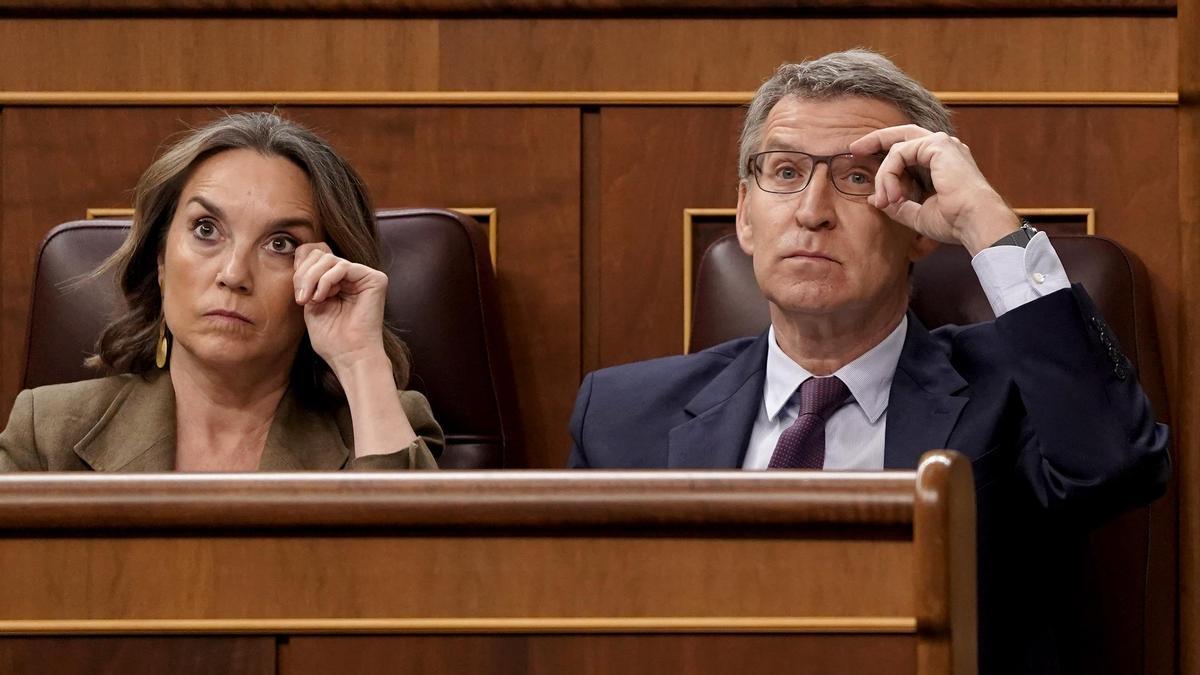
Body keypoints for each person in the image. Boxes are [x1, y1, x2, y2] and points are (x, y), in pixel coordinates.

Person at [568, 50, 1169, 674]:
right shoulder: (621, 417)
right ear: (746, 215)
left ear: (919, 229)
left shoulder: (1012, 393)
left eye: (857, 178)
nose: (812, 210)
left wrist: (985, 220)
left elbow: (1116, 465)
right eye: (784, 172)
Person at [0, 112, 441, 471]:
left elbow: (420, 573)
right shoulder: (47, 432)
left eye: (281, 244)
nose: (234, 274)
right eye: (206, 229)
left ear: (325, 277)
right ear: (160, 261)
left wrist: (360, 361)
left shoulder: (377, 426)